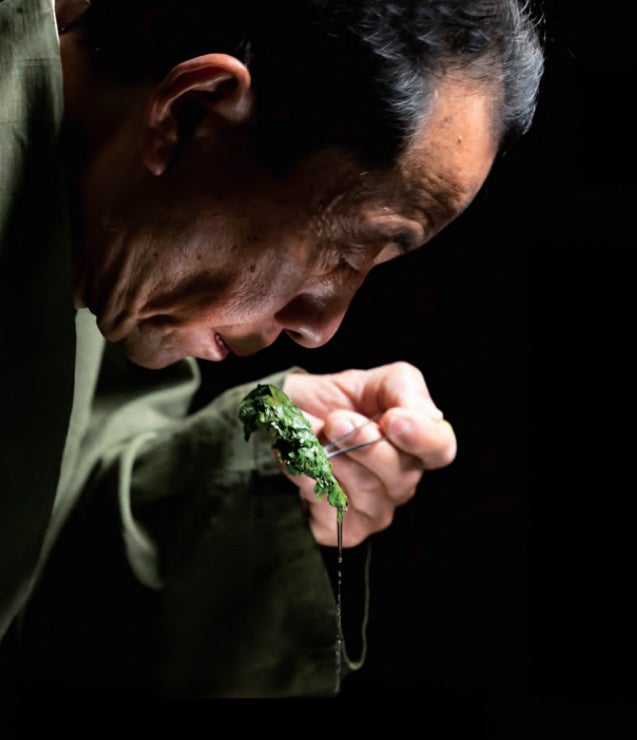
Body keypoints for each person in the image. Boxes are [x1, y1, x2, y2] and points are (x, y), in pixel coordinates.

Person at [0, 0, 544, 698]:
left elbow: (49, 543)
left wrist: (255, 474)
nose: (320, 328)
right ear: (190, 116)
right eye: (345, 253)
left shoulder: (108, 231)